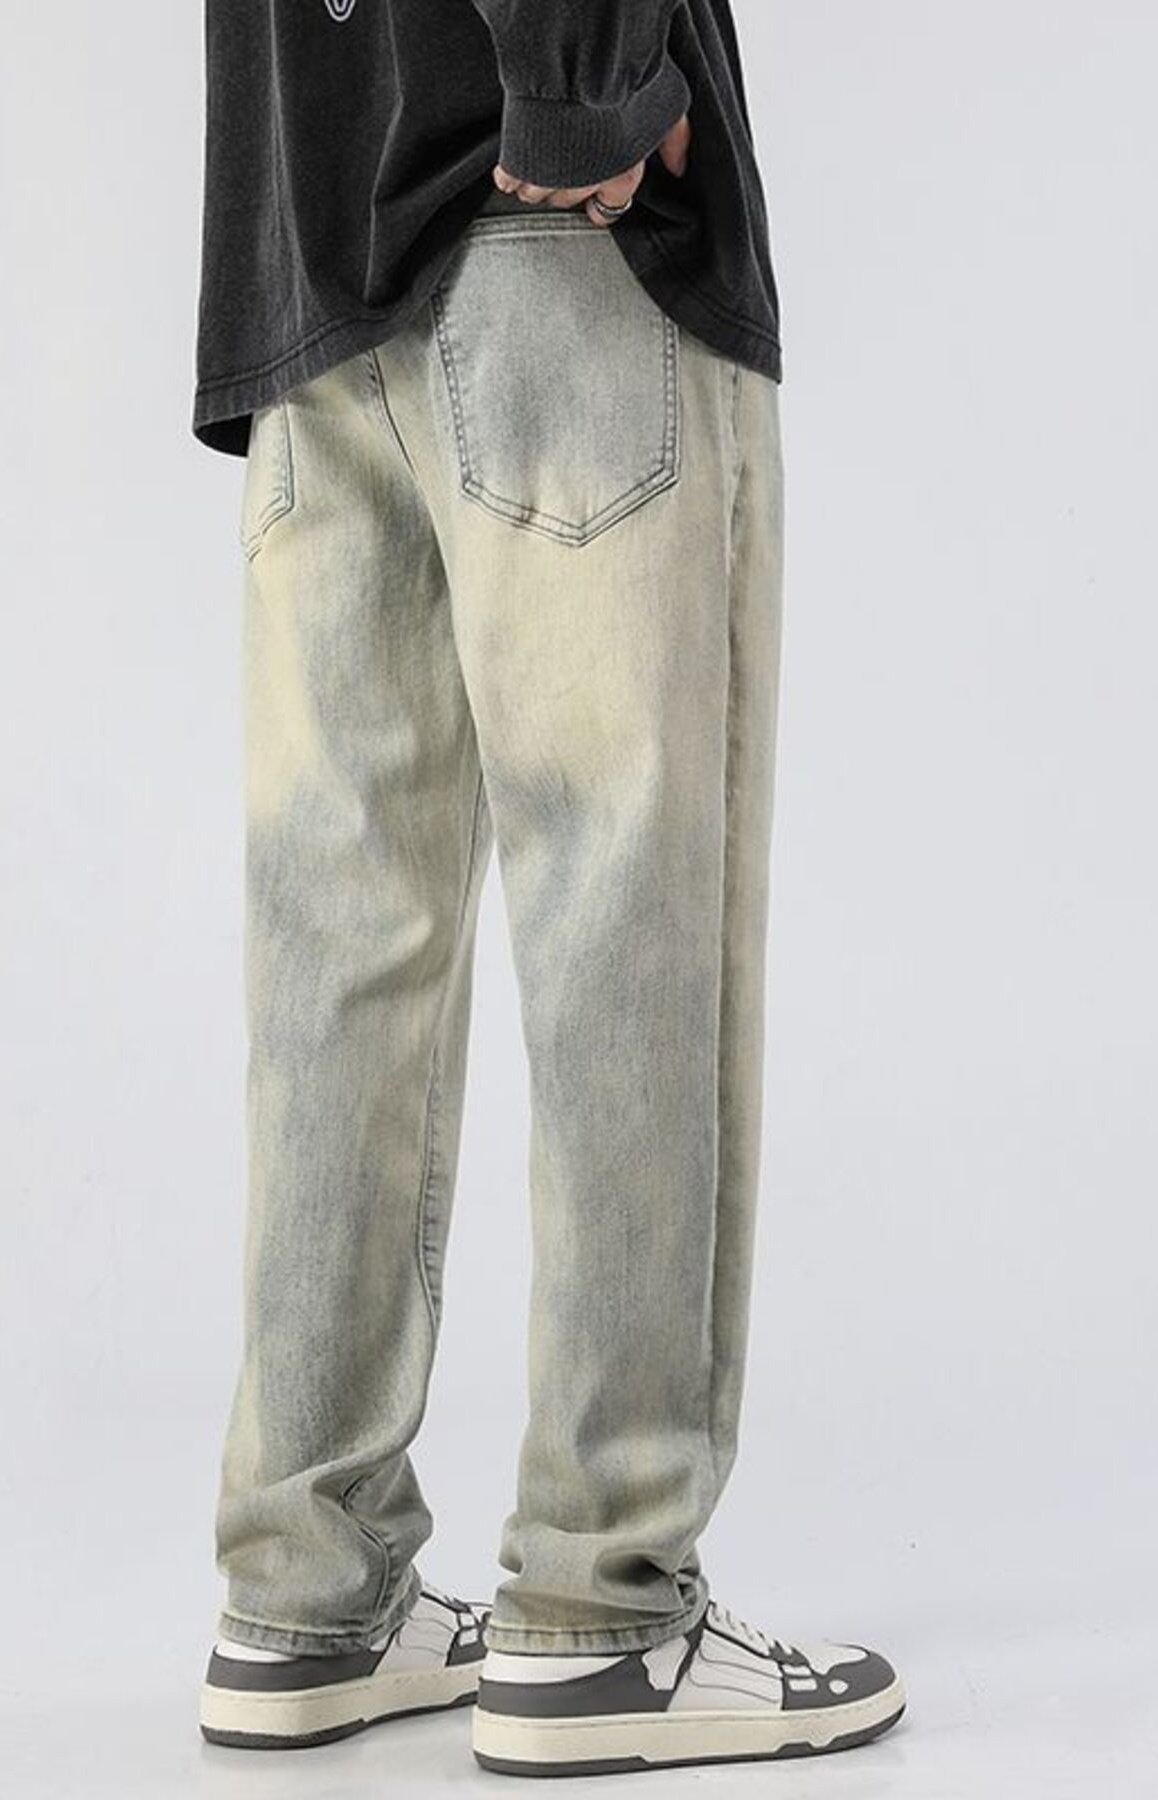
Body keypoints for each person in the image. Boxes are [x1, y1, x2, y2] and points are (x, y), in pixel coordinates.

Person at [191, 0, 906, 1777]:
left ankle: (306, 1595)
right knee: (625, 924)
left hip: (307, 264)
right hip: (549, 241)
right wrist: (588, 82)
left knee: (339, 959)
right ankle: (605, 1609)